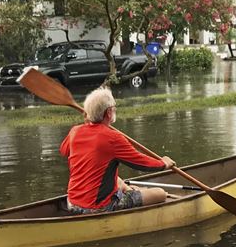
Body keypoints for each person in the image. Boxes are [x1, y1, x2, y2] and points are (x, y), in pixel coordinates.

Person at [60, 86, 175, 214]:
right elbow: (140, 162)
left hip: (71, 203)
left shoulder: (75, 131)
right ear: (109, 112)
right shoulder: (113, 138)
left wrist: (87, 126)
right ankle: (133, 192)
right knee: (160, 194)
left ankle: (130, 190)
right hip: (98, 207)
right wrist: (163, 164)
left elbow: (64, 151)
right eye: (114, 108)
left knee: (118, 180)